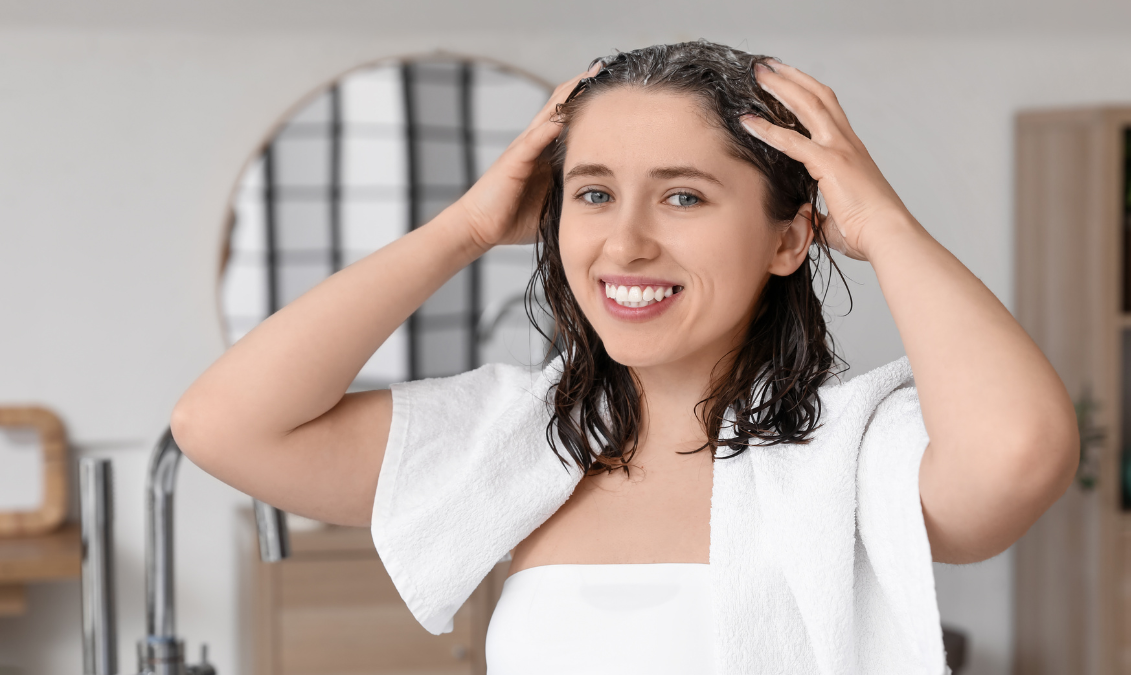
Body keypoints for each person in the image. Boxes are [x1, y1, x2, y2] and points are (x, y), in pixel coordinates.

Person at [172, 41, 1078, 673]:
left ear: (791, 238)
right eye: (594, 193)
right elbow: (223, 426)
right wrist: (469, 225)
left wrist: (882, 225)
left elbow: (1020, 453)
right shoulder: (516, 443)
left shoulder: (855, 453)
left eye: (683, 196)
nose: (626, 242)